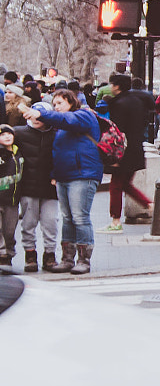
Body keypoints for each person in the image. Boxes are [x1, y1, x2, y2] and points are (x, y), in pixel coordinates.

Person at [28, 89, 103, 275]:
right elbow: (57, 151)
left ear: (71, 102)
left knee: (80, 217)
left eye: (60, 103)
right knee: (68, 218)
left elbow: (67, 120)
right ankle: (67, 259)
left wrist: (42, 113)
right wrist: (55, 173)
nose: (56, 108)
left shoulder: (84, 115)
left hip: (83, 174)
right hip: (64, 175)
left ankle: (83, 260)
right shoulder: (61, 126)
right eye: (54, 105)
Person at [10, 89, 58, 272]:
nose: (36, 119)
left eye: (41, 115)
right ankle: (30, 254)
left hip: (51, 187)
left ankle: (50, 255)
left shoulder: (57, 134)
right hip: (27, 186)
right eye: (33, 115)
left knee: (51, 222)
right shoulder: (19, 133)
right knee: (28, 223)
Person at [102, 73, 153, 232]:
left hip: (123, 150)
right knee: (124, 183)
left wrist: (114, 155)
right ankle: (148, 203)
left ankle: (116, 221)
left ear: (116, 86)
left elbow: (117, 131)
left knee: (116, 185)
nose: (110, 87)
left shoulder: (119, 104)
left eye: (112, 84)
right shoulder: (136, 101)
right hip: (135, 148)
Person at [0, 124, 19, 268]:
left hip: (12, 200)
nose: (6, 136)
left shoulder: (18, 153)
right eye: (2, 134)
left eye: (9, 134)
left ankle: (9, 253)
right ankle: (2, 256)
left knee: (10, 230)